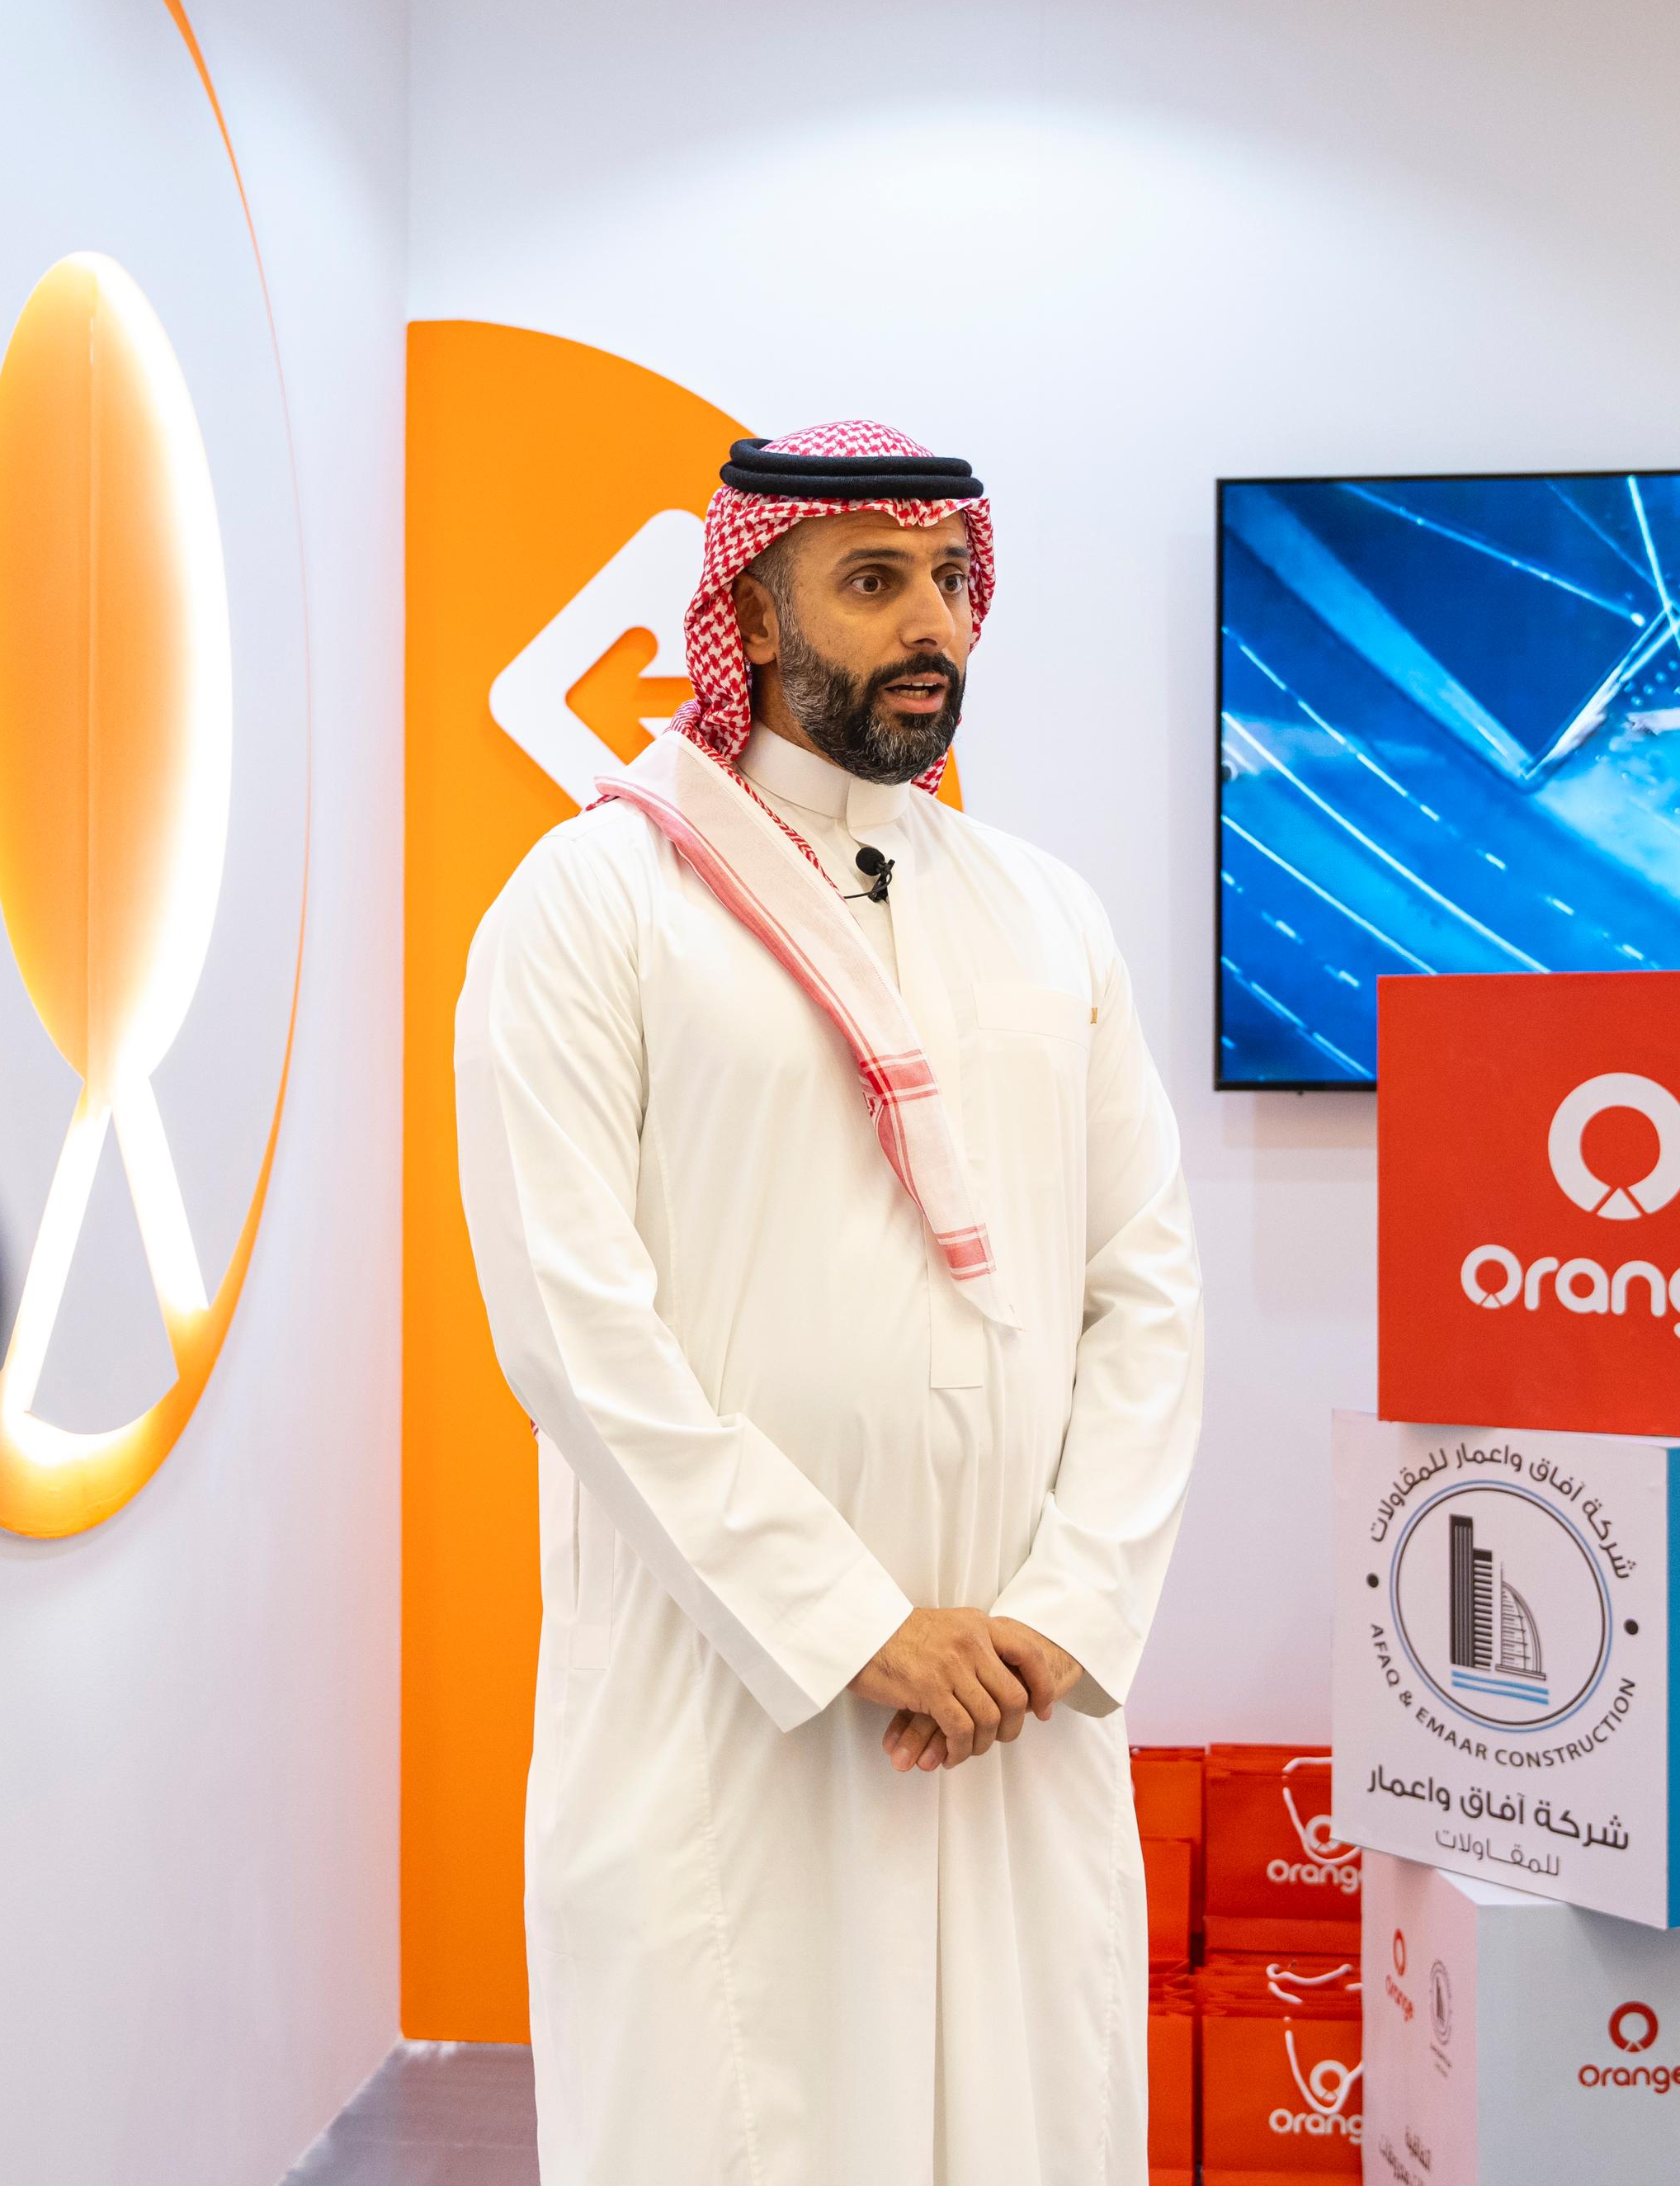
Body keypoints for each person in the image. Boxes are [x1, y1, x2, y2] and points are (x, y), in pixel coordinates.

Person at [454, 423, 1203, 2185]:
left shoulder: (1046, 915)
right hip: (739, 1711)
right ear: (752, 615)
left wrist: (1063, 1612)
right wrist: (850, 1620)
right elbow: (572, 1328)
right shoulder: (591, 905)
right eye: (873, 583)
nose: (930, 623)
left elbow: (1147, 1290)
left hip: (1014, 1710)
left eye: (948, 579)